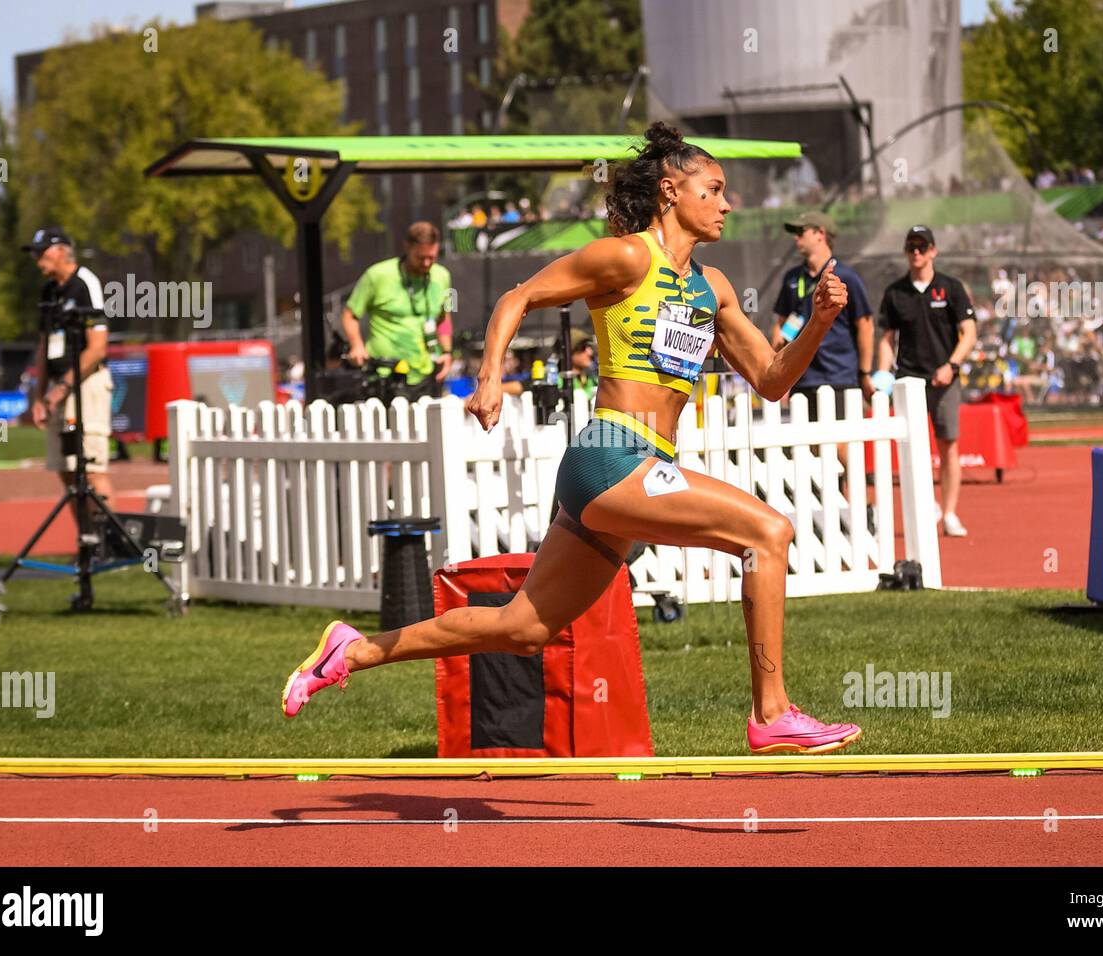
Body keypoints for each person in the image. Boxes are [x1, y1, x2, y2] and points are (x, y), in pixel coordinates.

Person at [281, 121, 862, 755]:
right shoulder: (626, 256)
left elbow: (773, 380)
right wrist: (488, 379)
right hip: (609, 456)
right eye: (715, 189)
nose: (727, 204)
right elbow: (519, 296)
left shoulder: (713, 287)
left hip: (646, 467)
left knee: (524, 626)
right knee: (767, 532)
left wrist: (821, 321)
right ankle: (771, 712)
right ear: (671, 191)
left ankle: (350, 650)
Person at [875, 225, 978, 537]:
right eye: (911, 247)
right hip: (908, 380)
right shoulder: (895, 293)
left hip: (944, 379)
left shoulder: (951, 288)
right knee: (913, 449)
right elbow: (886, 340)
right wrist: (882, 377)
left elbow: (969, 333)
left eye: (922, 247)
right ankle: (927, 504)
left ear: (933, 250)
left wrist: (951, 365)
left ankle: (949, 513)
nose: (916, 253)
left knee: (948, 445)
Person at [24, 226, 115, 526]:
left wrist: (60, 389)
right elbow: (43, 344)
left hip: (85, 386)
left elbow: (98, 347)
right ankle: (86, 542)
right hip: (57, 389)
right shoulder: (49, 291)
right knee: (65, 468)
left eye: (42, 251)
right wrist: (39, 396)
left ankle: (111, 545)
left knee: (90, 468)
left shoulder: (85, 283)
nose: (37, 259)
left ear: (62, 250)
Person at [769, 210, 874, 409]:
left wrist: (864, 373)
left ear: (820, 234)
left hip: (840, 378)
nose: (796, 237)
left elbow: (866, 326)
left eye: (801, 231)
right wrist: (777, 371)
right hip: (801, 379)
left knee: (842, 440)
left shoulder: (846, 276)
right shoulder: (792, 278)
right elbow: (781, 326)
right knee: (806, 441)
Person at [339, 221, 453, 401]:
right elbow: (349, 314)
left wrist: (447, 352)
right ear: (407, 247)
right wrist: (357, 345)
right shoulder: (377, 275)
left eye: (432, 257)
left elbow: (444, 317)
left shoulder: (443, 276)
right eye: (420, 257)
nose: (426, 263)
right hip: (385, 375)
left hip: (426, 374)